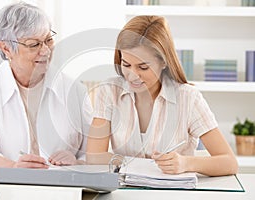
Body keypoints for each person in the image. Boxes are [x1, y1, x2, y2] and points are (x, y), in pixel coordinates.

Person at [86, 15, 238, 176]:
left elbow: (229, 162)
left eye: (143, 67)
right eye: (126, 65)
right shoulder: (109, 91)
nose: (132, 75)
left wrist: (186, 163)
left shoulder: (188, 98)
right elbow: (94, 157)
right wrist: (139, 166)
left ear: (164, 62)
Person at [0, 2, 92, 176]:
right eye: (34, 45)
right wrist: (13, 169)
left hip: (63, 190)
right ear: (6, 48)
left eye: (49, 40)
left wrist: (77, 161)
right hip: (9, 191)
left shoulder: (75, 90)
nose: (46, 51)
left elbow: (95, 153)